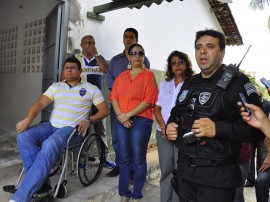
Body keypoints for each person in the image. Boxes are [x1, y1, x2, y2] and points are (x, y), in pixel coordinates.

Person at [165, 29, 264, 202]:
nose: (202, 51)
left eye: (209, 46)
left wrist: (217, 128)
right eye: (198, 47)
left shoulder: (238, 84)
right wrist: (171, 125)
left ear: (222, 53)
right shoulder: (189, 83)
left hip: (217, 179)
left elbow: (256, 131)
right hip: (185, 174)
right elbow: (176, 113)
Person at [9, 57, 110, 202]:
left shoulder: (91, 89)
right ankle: (42, 186)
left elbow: (105, 110)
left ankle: (20, 197)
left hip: (72, 129)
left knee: (49, 144)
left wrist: (89, 120)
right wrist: (27, 120)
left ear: (80, 71)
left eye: (73, 67)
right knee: (23, 137)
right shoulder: (56, 87)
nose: (69, 69)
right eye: (66, 67)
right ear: (63, 71)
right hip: (51, 126)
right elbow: (39, 103)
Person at [110, 43, 158, 202]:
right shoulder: (121, 76)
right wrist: (120, 116)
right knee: (123, 158)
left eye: (141, 53)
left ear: (143, 57)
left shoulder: (148, 76)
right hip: (121, 119)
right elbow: (114, 97)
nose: (137, 55)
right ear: (129, 57)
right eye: (134, 53)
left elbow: (149, 100)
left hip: (141, 120)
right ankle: (124, 193)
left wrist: (127, 115)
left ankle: (136, 194)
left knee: (138, 158)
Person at [106, 28, 150, 177]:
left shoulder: (144, 60)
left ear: (136, 40)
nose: (128, 39)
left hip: (136, 109)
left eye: (131, 37)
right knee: (118, 137)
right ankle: (120, 165)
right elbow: (110, 82)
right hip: (117, 106)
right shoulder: (114, 60)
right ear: (123, 39)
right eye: (126, 37)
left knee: (134, 138)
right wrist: (119, 106)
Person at [153, 50, 194, 202]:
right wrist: (163, 126)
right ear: (170, 66)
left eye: (180, 62)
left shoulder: (192, 84)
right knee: (166, 171)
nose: (177, 65)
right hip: (162, 133)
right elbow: (156, 108)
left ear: (186, 64)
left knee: (180, 170)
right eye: (174, 63)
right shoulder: (165, 84)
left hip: (181, 134)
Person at [73, 35, 115, 169]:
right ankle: (82, 160)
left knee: (101, 130)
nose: (90, 45)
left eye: (93, 43)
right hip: (82, 100)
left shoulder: (99, 59)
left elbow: (106, 70)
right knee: (82, 130)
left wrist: (96, 53)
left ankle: (105, 158)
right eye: (87, 43)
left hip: (98, 102)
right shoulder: (76, 58)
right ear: (81, 45)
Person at [240, 87, 270, 202]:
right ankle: (251, 179)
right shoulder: (248, 105)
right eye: (267, 87)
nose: (268, 90)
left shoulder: (267, 104)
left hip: (262, 136)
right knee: (260, 180)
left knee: (262, 161)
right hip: (256, 137)